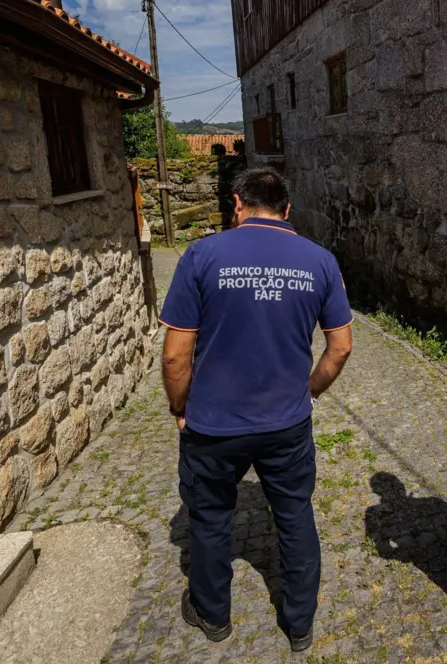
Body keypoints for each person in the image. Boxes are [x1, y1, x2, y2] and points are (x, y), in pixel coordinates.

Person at [159, 168, 353, 651]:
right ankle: (300, 625)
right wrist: (310, 392)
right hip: (286, 421)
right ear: (287, 210)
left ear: (237, 204)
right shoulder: (320, 260)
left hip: (213, 423)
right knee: (294, 515)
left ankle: (213, 615)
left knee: (209, 518)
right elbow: (341, 346)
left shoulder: (202, 255)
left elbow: (175, 355)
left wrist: (179, 406)